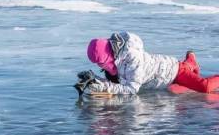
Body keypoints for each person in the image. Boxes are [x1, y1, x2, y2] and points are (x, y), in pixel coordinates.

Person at [85, 31, 219, 95]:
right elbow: (118, 83)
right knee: (178, 88)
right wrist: (93, 79)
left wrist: (104, 87)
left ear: (107, 55)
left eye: (101, 62)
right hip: (162, 79)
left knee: (205, 87)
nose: (100, 66)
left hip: (174, 71)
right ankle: (190, 62)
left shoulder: (133, 59)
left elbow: (131, 89)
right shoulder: (117, 59)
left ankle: (189, 63)